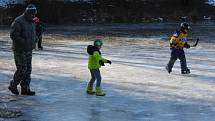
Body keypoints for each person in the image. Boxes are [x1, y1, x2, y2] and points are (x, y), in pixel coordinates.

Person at [8, 4, 38, 95]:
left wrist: (35, 38)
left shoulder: (32, 21)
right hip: (19, 50)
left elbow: (32, 33)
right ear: (27, 12)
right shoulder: (18, 21)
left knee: (28, 69)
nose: (33, 16)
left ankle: (25, 89)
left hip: (29, 49)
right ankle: (13, 85)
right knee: (22, 69)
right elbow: (13, 35)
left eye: (34, 14)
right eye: (31, 14)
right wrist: (24, 41)